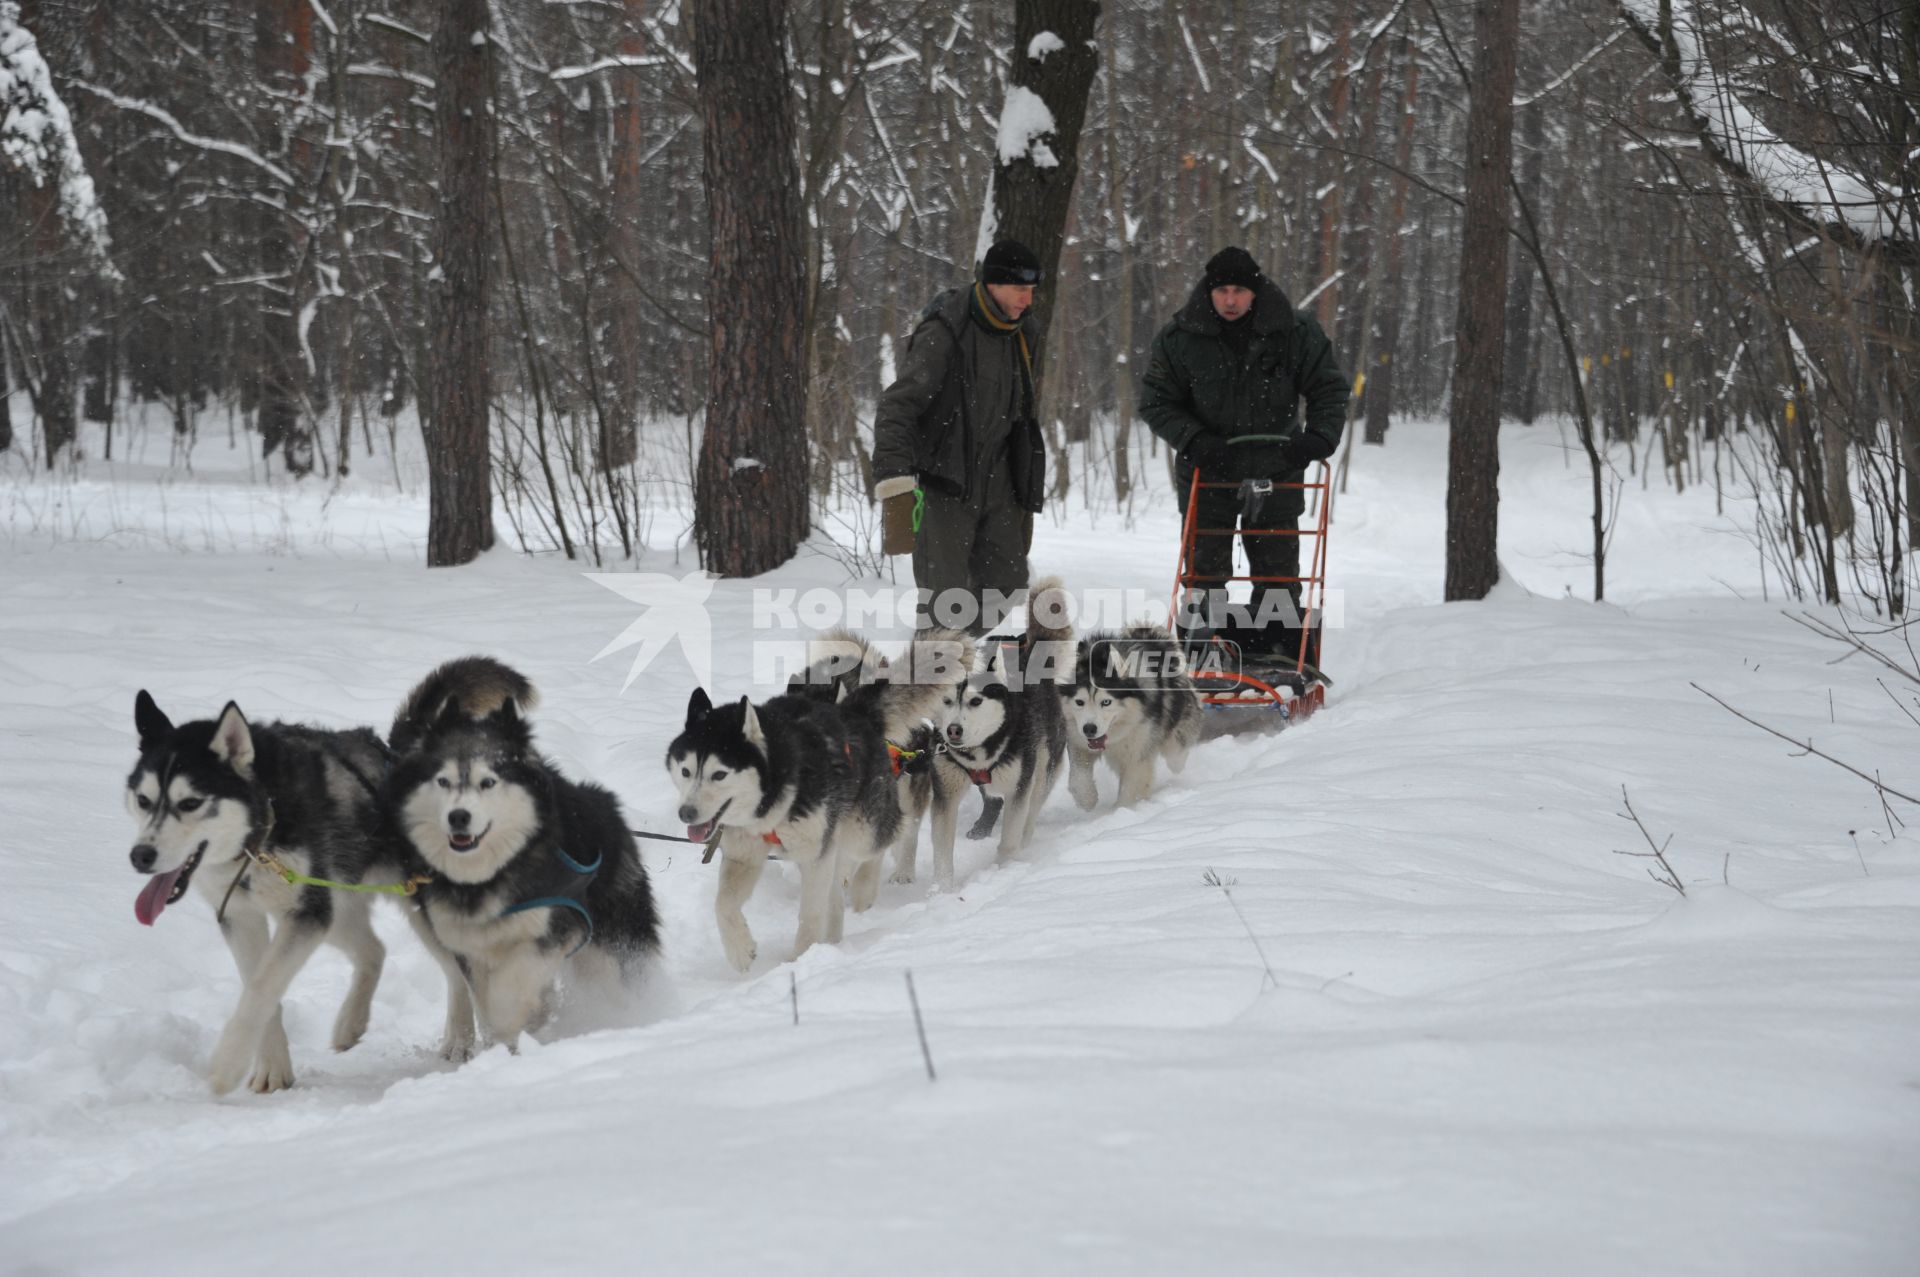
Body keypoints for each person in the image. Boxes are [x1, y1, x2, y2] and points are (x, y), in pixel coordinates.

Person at [1139, 246, 1348, 663]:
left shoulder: (1295, 332)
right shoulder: (1181, 338)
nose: (1230, 300)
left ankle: (1281, 655)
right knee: (1203, 577)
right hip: (1209, 473)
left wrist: (1317, 438)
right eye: (1221, 291)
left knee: (1278, 576)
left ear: (1255, 291)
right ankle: (1199, 657)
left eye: (1238, 290)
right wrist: (1195, 439)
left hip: (1279, 470)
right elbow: (1156, 401)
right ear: (1208, 291)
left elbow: (1329, 389)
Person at [872, 239, 1047, 636]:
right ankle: (932, 679)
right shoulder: (945, 331)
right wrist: (895, 480)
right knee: (944, 605)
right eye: (1020, 289)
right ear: (993, 284)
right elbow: (898, 406)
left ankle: (951, 656)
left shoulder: (1023, 332)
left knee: (1008, 583)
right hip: (944, 483)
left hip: (998, 482)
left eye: (1032, 290)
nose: (1028, 299)